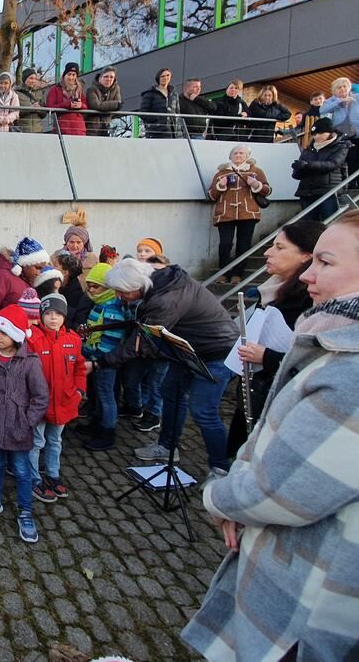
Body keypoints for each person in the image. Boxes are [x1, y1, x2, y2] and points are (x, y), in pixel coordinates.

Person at [182, 206, 359, 662]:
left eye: (325, 263)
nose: (308, 275)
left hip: (320, 592)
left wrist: (220, 499)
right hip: (302, 571)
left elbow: (286, 488)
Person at [101, 259, 239, 483]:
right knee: (171, 393)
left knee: (203, 411)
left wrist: (102, 362)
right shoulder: (160, 286)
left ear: (138, 286)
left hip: (216, 353)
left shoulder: (165, 300)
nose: (118, 296)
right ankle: (167, 446)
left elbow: (141, 343)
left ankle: (220, 468)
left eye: (121, 291)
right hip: (186, 349)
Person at [227, 219, 324, 457]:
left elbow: (316, 359)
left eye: (280, 248)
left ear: (305, 256)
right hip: (256, 388)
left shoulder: (312, 299)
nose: (267, 252)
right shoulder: (271, 290)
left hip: (282, 398)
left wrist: (266, 356)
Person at [0, 305, 48, 543]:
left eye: (3, 332)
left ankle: (25, 511)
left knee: (23, 470)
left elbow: (41, 397)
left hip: (18, 428)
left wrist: (27, 421)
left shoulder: (29, 362)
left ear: (15, 335)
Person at [30, 293, 85, 502]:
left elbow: (79, 367)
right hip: (39, 404)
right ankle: (34, 478)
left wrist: (79, 391)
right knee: (36, 441)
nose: (53, 318)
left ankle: (53, 474)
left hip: (63, 402)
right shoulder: (33, 339)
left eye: (58, 314)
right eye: (49, 313)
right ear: (41, 315)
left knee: (55, 441)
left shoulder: (73, 340)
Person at [78, 263, 129, 451]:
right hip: (95, 358)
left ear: (109, 288)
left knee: (107, 396)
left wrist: (96, 360)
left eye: (96, 286)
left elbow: (110, 340)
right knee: (99, 394)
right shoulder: (100, 304)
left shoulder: (112, 308)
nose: (91, 290)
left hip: (104, 361)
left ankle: (107, 433)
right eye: (89, 285)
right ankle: (97, 423)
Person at [208, 145, 273, 284]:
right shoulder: (221, 173)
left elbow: (267, 190)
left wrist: (256, 185)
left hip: (247, 213)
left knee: (243, 245)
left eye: (241, 153)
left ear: (247, 156)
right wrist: (220, 186)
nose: (238, 155)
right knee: (225, 244)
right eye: (235, 153)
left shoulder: (256, 171)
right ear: (230, 156)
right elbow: (211, 195)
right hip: (225, 213)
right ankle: (224, 272)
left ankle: (238, 273)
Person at [320, 77, 359, 188]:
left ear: (349, 88)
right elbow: (322, 111)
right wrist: (339, 102)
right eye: (339, 87)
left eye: (344, 86)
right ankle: (352, 186)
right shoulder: (330, 101)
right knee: (350, 161)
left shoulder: (358, 98)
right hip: (342, 136)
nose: (342, 89)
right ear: (334, 90)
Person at [291, 117, 351, 222]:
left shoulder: (341, 146)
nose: (316, 137)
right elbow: (296, 175)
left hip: (328, 191)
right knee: (309, 226)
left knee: (330, 222)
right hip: (307, 192)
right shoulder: (308, 150)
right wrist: (299, 168)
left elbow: (332, 164)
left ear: (330, 132)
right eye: (314, 134)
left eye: (320, 133)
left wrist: (307, 165)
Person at [0, 238, 49, 319]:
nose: (39, 273)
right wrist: (5, 327)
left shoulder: (29, 280)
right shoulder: (2, 277)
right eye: (37, 268)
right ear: (25, 263)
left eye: (42, 269)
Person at [46, 62, 89, 137]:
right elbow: (49, 106)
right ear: (64, 75)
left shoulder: (79, 90)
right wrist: (68, 104)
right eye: (69, 74)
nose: (71, 77)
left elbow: (87, 106)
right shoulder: (55, 90)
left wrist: (80, 105)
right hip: (62, 129)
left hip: (79, 129)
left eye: (74, 75)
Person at [139, 68, 179, 139]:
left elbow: (177, 112)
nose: (165, 78)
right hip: (155, 131)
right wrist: (157, 119)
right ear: (158, 78)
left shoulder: (174, 94)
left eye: (167, 75)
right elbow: (142, 113)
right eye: (162, 76)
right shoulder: (149, 94)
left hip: (172, 132)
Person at [86, 66, 121, 137]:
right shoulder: (91, 89)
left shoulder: (116, 88)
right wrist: (113, 105)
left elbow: (119, 105)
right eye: (106, 76)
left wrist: (103, 106)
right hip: (91, 128)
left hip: (106, 127)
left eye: (111, 77)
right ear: (100, 78)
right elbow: (95, 105)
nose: (109, 79)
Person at [15, 67, 47, 134]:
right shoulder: (17, 92)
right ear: (24, 79)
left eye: (35, 79)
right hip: (22, 130)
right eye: (31, 78)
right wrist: (30, 108)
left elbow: (44, 114)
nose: (33, 81)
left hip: (38, 130)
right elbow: (16, 112)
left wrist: (39, 109)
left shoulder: (39, 92)